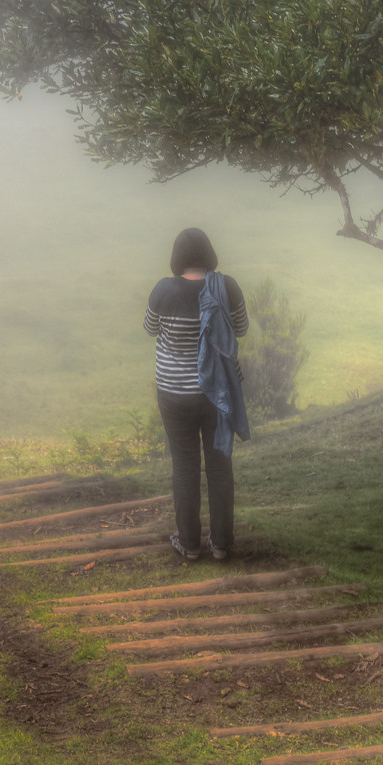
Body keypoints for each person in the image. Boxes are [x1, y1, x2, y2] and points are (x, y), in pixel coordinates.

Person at [145, 227, 250, 561]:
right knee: (219, 466)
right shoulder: (227, 287)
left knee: (185, 467)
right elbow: (242, 329)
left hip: (174, 393)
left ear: (177, 257)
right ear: (209, 253)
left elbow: (150, 329)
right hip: (217, 392)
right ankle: (220, 545)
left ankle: (189, 545)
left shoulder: (163, 290)